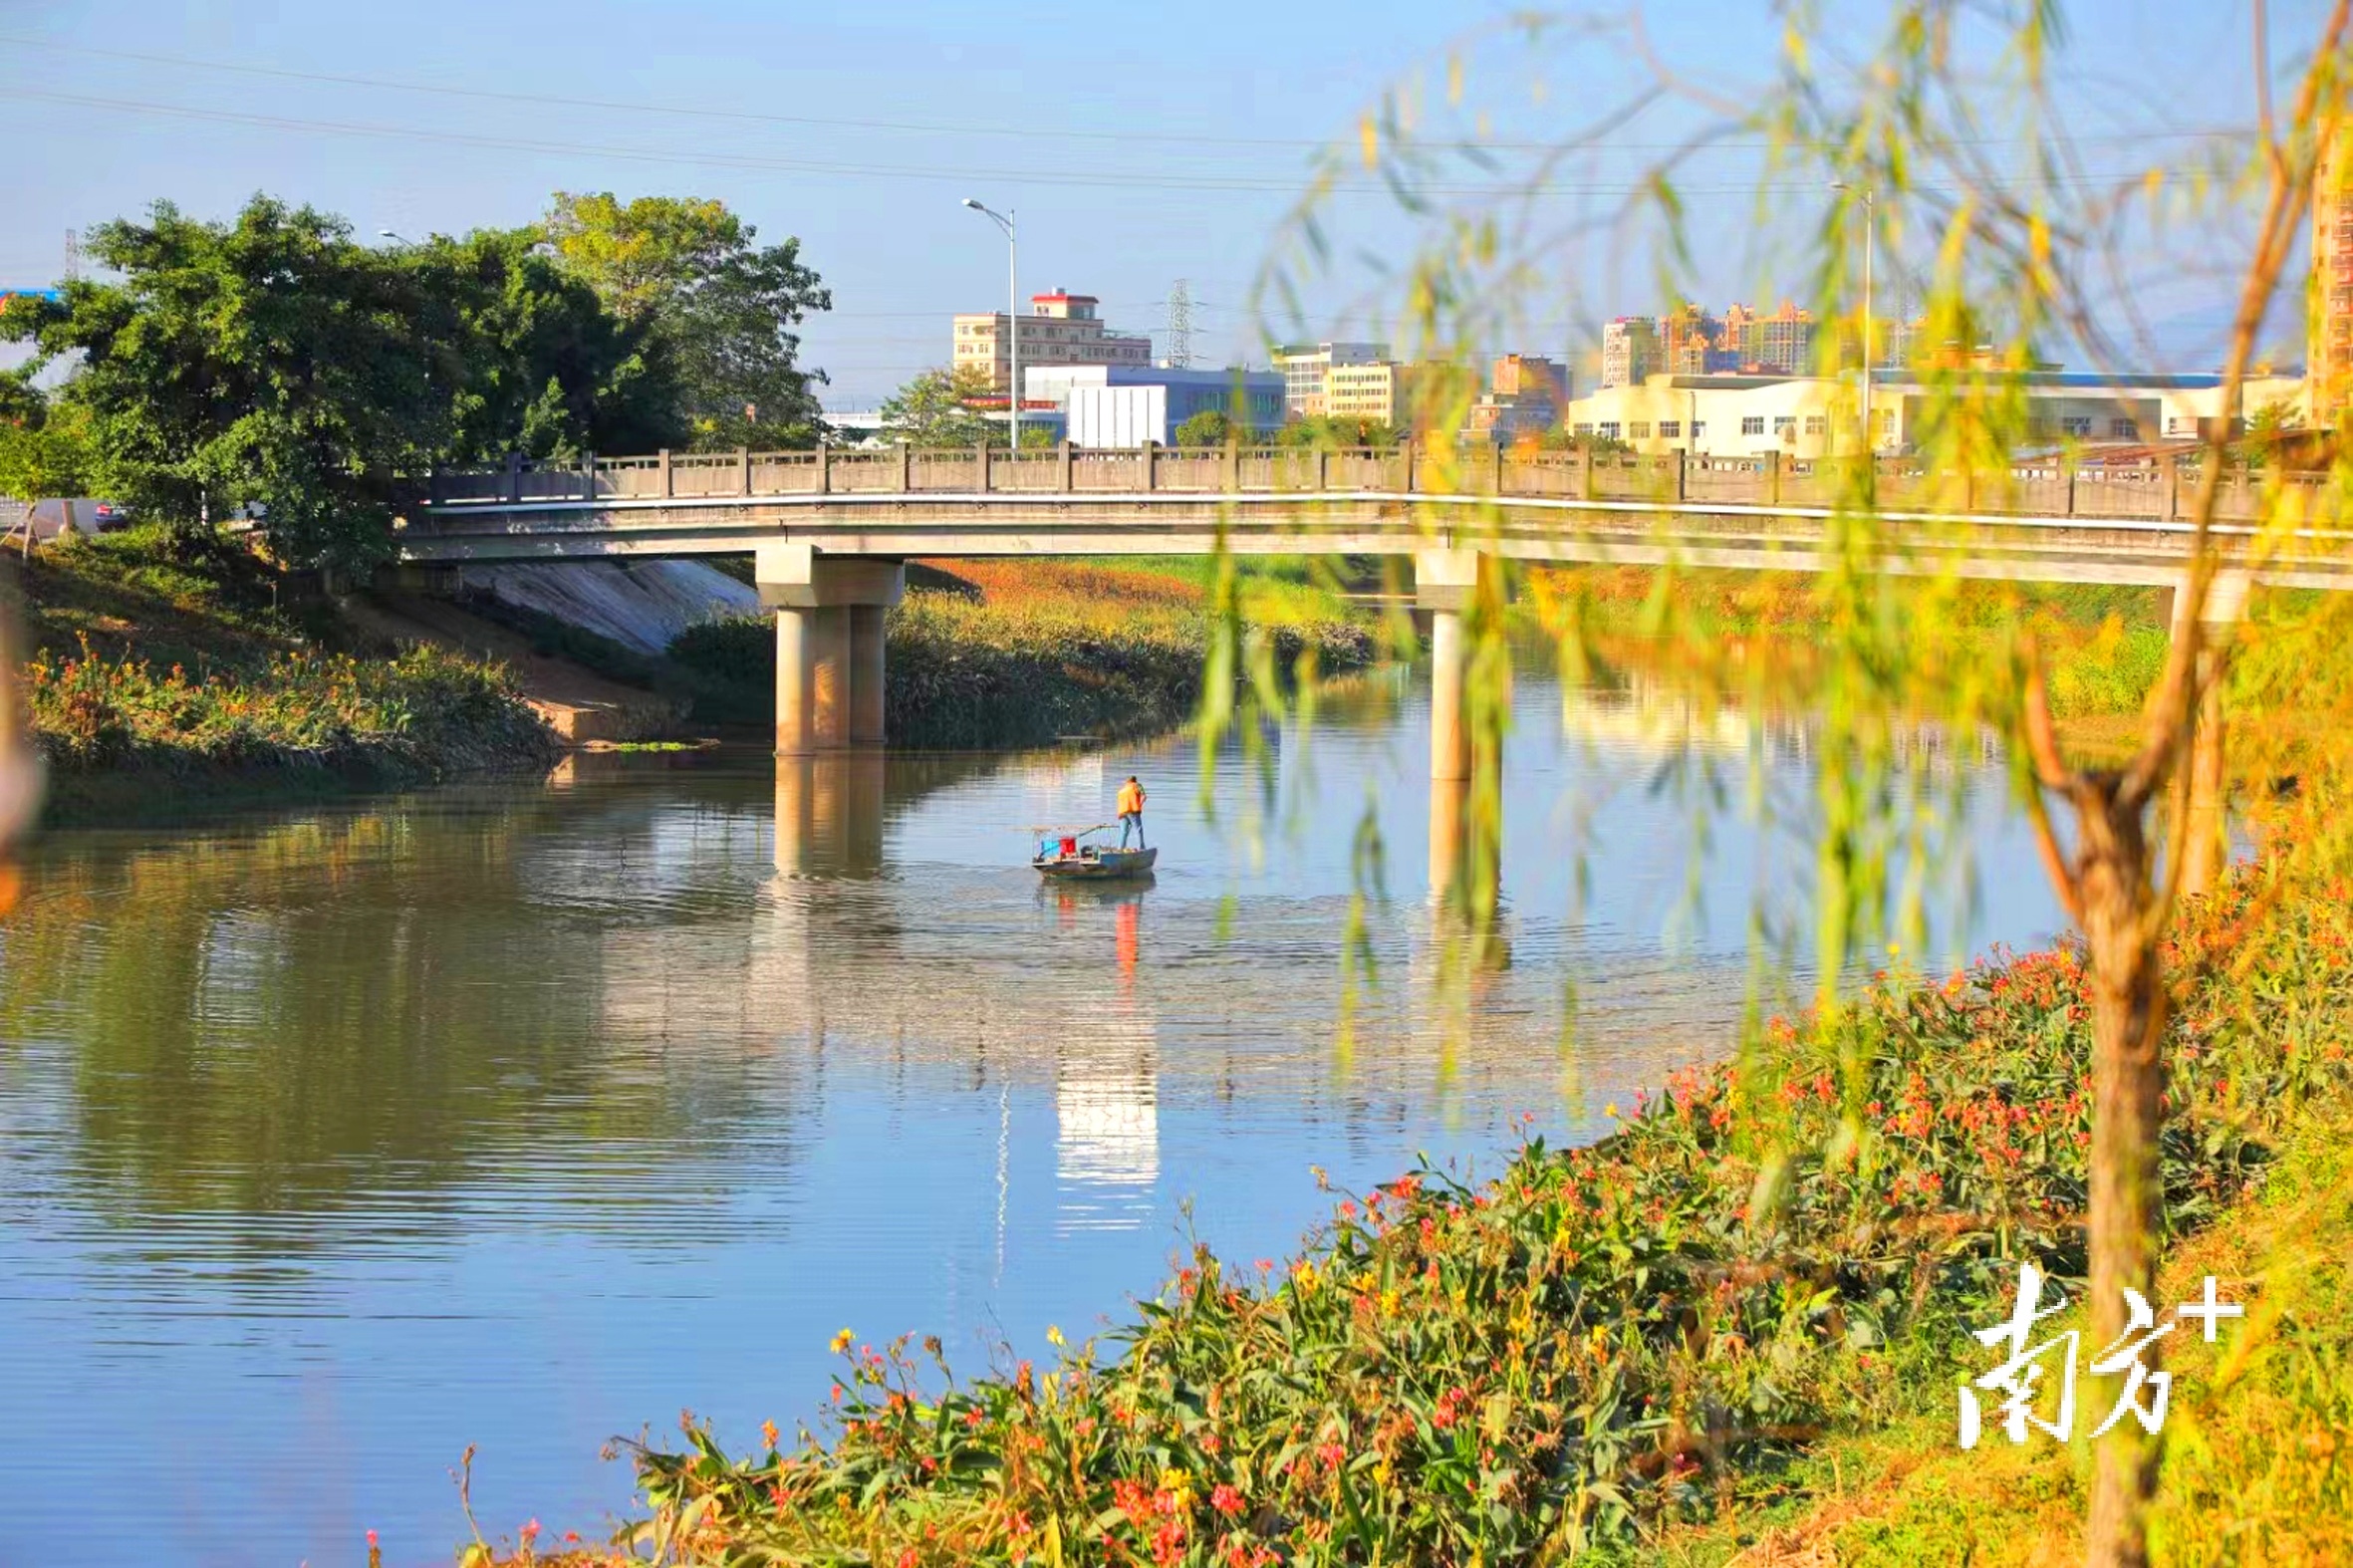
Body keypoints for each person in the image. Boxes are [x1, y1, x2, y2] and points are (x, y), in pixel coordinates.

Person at [1116, 775, 1147, 849]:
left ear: (1127, 781)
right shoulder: (1137, 785)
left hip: (1122, 813)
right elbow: (1144, 796)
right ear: (1134, 781)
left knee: (1123, 832)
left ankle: (1120, 849)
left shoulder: (1122, 789)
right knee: (1138, 829)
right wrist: (1139, 805)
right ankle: (1141, 848)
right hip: (1132, 810)